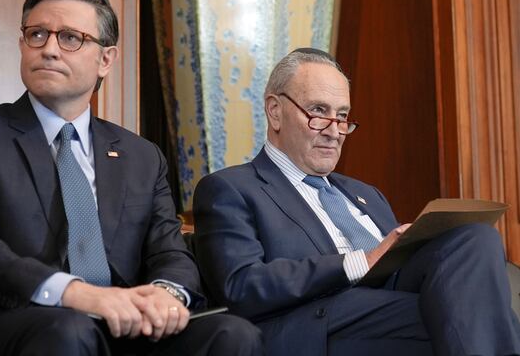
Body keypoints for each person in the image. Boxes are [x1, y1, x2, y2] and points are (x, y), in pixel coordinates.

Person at [0, 0, 262, 356]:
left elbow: (169, 252)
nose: (49, 49)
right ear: (22, 44)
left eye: (70, 38)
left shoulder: (142, 155)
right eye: (37, 34)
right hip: (8, 321)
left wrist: (165, 294)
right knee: (68, 329)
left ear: (106, 59)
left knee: (231, 334)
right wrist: (74, 293)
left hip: (118, 324)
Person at [193, 47, 520, 356]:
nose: (334, 131)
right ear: (275, 112)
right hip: (319, 320)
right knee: (469, 315)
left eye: (343, 116)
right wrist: (358, 262)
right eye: (319, 112)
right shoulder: (230, 188)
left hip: (387, 303)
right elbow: (241, 285)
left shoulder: (366, 193)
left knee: (474, 238)